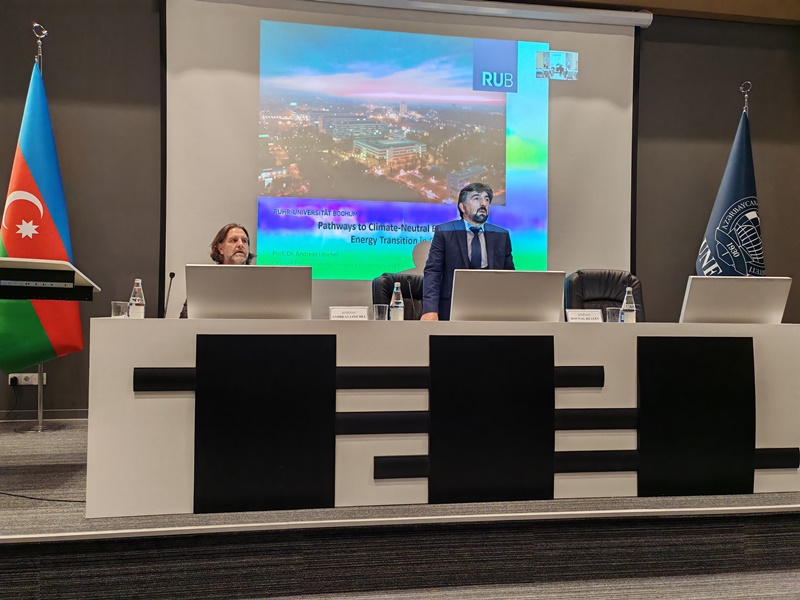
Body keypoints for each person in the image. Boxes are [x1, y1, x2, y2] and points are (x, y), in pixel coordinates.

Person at [421, 182, 514, 321]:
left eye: (487, 199)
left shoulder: (501, 235)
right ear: (462, 207)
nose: (483, 203)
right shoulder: (445, 232)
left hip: (492, 310)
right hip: (452, 309)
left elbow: (509, 277)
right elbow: (433, 272)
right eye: (476, 198)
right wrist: (430, 309)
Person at [179, 223, 255, 318]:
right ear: (220, 248)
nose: (240, 244)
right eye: (234, 240)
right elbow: (185, 318)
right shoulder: (206, 283)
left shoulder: (259, 281)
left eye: (244, 241)